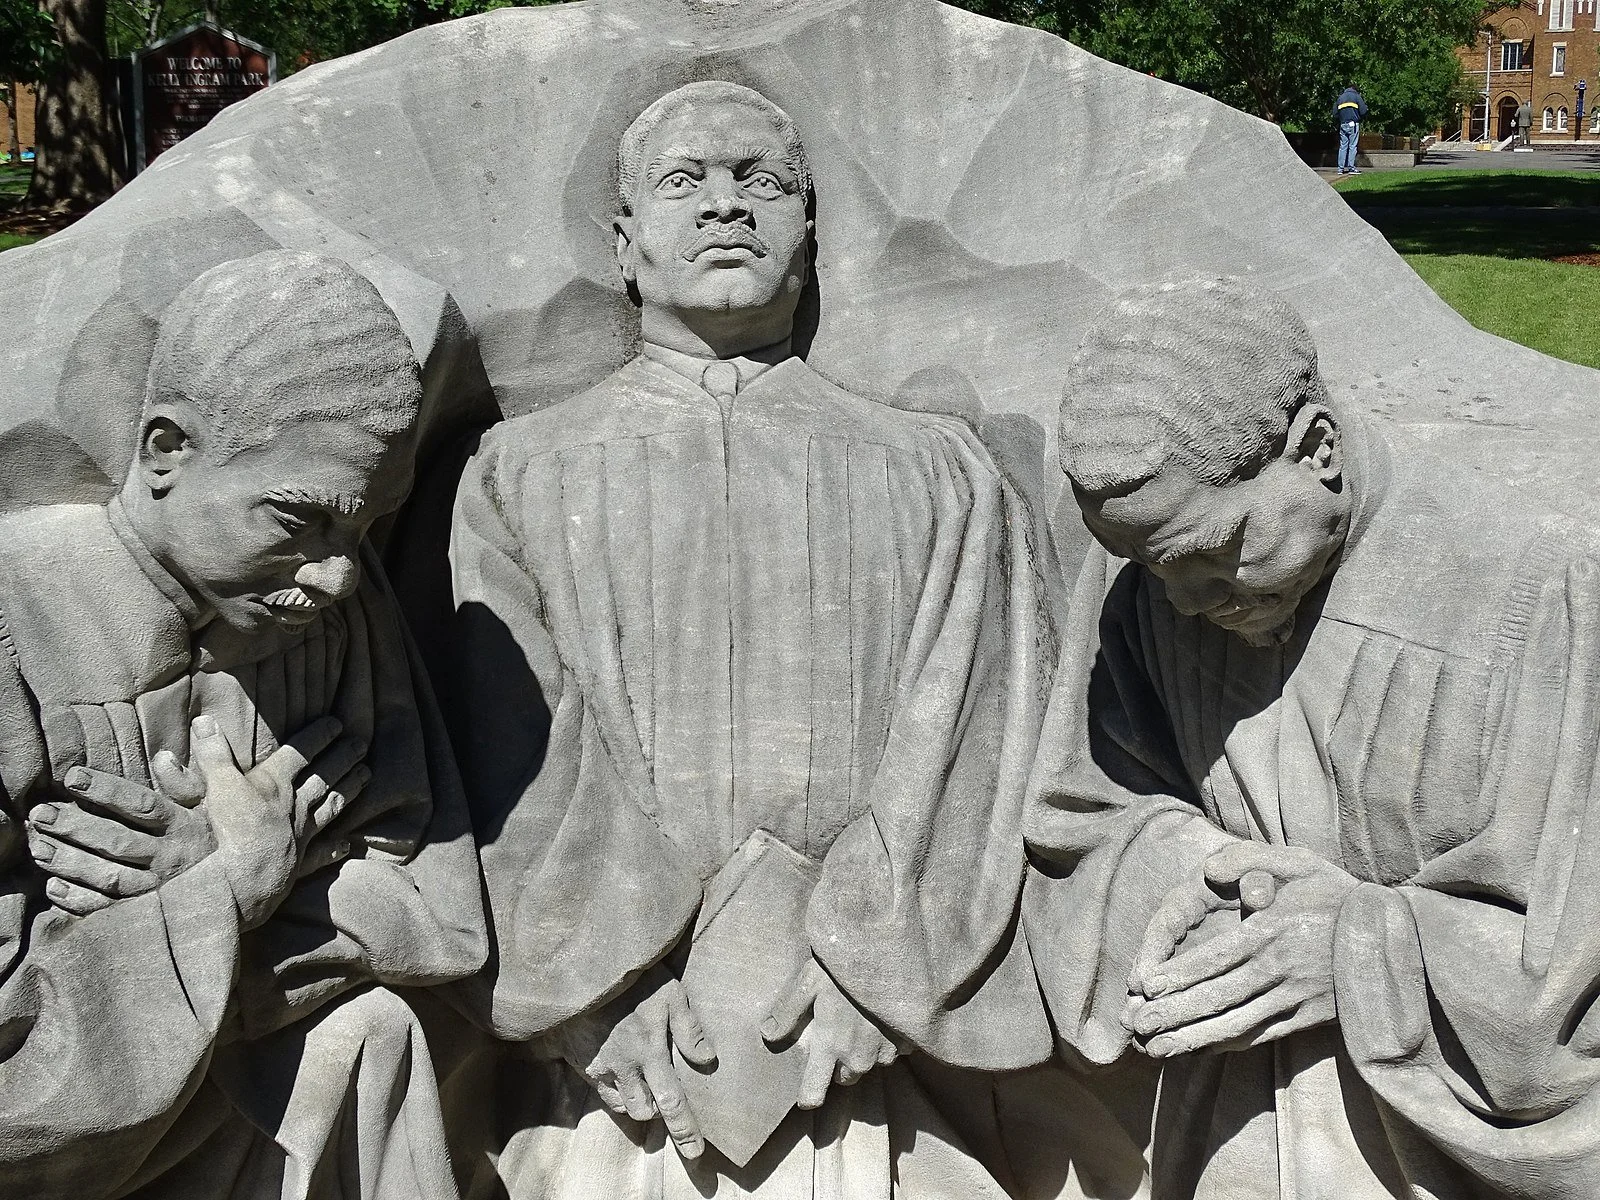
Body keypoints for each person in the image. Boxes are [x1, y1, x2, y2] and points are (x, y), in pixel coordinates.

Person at [444, 80, 1150, 1199]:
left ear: (808, 240)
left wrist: (884, 968)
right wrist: (591, 987)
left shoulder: (936, 471)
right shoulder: (522, 475)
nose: (726, 206)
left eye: (760, 182)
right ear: (624, 246)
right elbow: (499, 752)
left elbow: (984, 728)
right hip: (620, 1056)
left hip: (864, 1049)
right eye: (685, 182)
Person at [1025, 274, 1600, 1197]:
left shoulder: (1537, 590)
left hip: (1444, 1141)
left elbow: (1578, 959)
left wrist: (1362, 949)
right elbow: (1089, 814)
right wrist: (1200, 873)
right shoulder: (1160, 588)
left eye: (1212, 556)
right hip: (1238, 1119)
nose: (1183, 601)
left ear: (1315, 449)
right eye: (1145, 566)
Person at [0, 250, 486, 1199]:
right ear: (165, 450)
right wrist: (225, 891)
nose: (336, 575)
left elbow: (432, 898)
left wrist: (222, 891)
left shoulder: (330, 610)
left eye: (364, 529)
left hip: (266, 1105)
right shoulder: (18, 617)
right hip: (84, 1153)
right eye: (298, 519)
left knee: (373, 1032)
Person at [1336, 85, 1366, 174]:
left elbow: (1335, 113)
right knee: (1352, 146)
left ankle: (1340, 169)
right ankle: (1351, 168)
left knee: (1343, 146)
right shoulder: (1356, 96)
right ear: (1355, 90)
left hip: (1343, 124)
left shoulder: (1340, 98)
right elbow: (1363, 110)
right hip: (1353, 123)